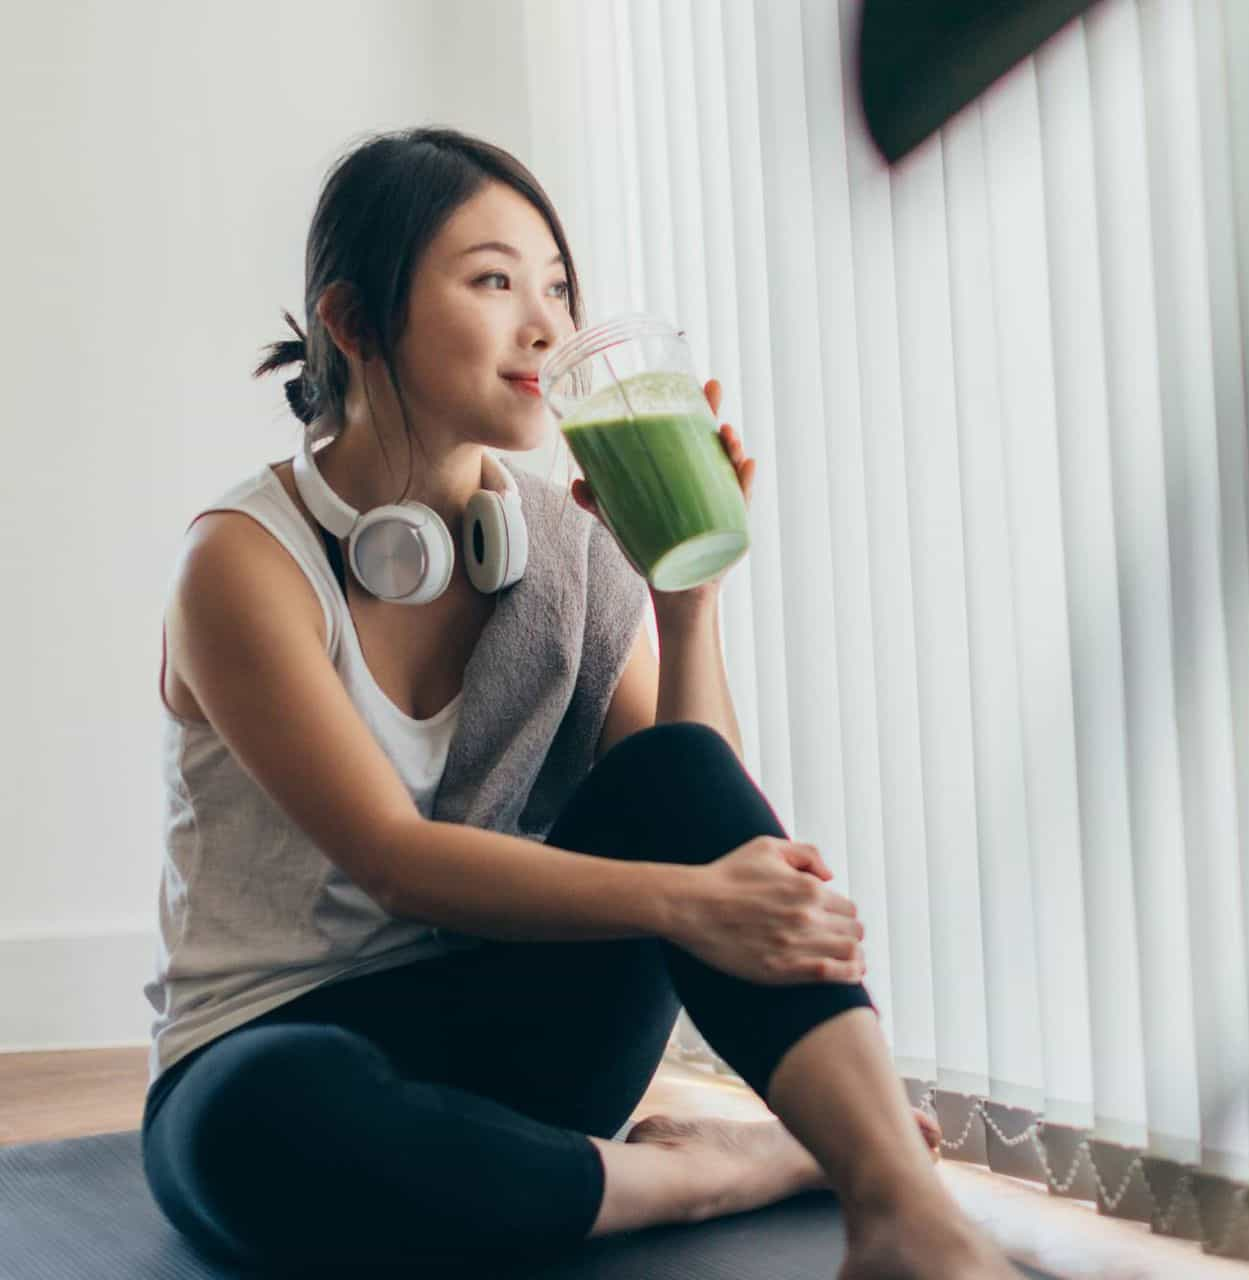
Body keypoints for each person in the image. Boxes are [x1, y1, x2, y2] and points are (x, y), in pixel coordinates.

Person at [141, 126, 1018, 1278]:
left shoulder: (563, 544)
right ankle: (718, 1167)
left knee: (664, 770)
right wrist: (687, 903)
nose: (546, 324)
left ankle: (901, 1206)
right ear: (354, 322)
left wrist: (681, 597)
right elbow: (395, 857)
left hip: (516, 1030)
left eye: (556, 284)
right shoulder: (245, 562)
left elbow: (697, 795)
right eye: (495, 280)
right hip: (278, 1043)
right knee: (262, 1118)